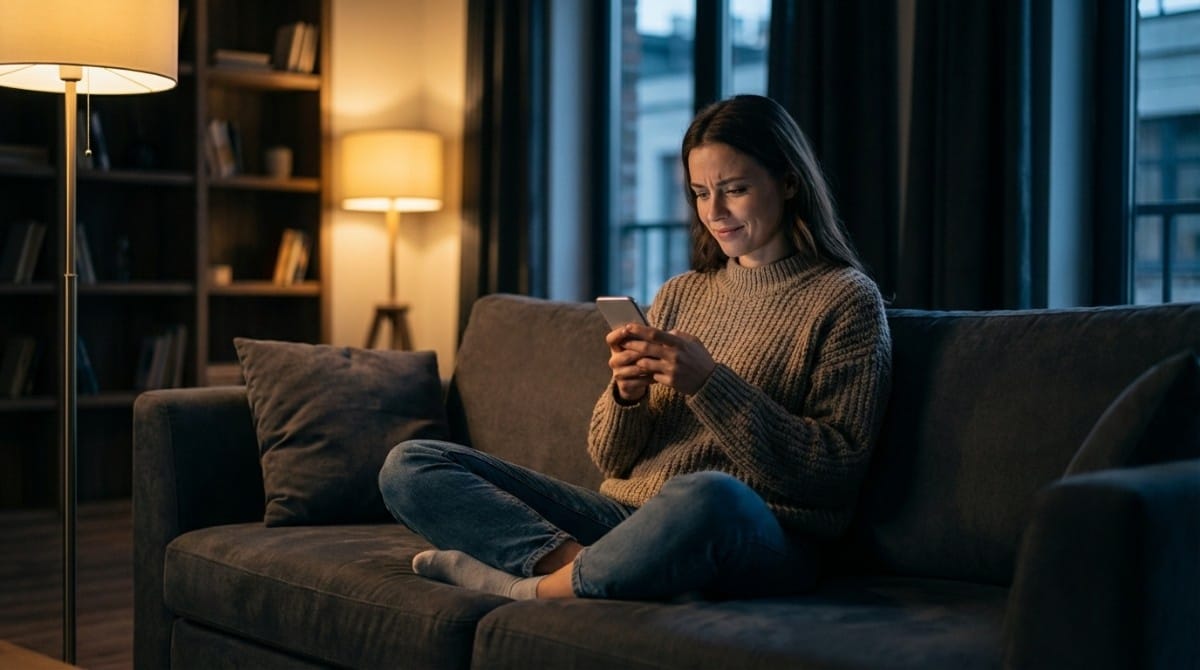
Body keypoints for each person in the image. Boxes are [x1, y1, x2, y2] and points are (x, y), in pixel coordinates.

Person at [378, 94, 891, 601]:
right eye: (699, 192)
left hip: (755, 532)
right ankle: (581, 571)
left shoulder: (844, 298)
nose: (715, 211)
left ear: (789, 182)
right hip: (629, 520)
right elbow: (610, 460)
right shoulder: (681, 292)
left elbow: (832, 473)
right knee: (412, 464)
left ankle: (539, 590)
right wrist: (627, 395)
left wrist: (708, 385)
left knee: (709, 493)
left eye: (734, 189)